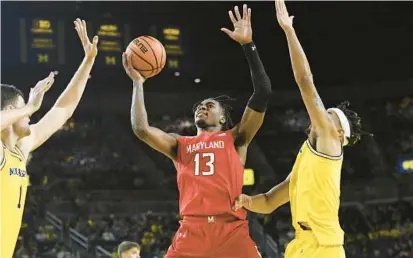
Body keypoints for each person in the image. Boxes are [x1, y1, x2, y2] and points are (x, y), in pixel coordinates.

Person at [123, 4, 271, 258]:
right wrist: (138, 84)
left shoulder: (237, 139)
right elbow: (141, 129)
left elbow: (263, 93)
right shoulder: (180, 145)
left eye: (209, 105)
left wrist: (249, 45)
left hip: (231, 229)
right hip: (192, 230)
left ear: (223, 117)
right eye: (200, 106)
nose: (202, 107)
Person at [233, 1, 371, 257]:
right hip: (300, 246)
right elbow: (272, 200)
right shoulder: (307, 158)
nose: (321, 117)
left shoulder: (331, 144)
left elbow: (305, 81)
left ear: (340, 134)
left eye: (329, 117)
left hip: (324, 248)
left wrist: (288, 30)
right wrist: (247, 201)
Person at [0, 18, 98, 258]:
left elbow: (62, 110)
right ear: (11, 113)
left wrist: (87, 63)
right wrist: (30, 106)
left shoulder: (18, 151)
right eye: (23, 111)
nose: (30, 117)